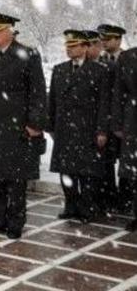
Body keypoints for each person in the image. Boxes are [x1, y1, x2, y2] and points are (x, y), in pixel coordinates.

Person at [0, 13, 47, 240]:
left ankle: (16, 221)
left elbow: (38, 92)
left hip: (17, 126)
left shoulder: (27, 54)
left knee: (16, 177)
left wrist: (35, 124)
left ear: (10, 31)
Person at [47, 30, 109, 223]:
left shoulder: (99, 71)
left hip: (87, 128)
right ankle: (70, 206)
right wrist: (50, 126)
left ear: (85, 47)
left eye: (74, 46)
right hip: (64, 129)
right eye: (67, 46)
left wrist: (102, 130)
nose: (69, 49)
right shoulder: (59, 69)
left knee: (87, 173)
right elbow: (52, 101)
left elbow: (103, 103)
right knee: (66, 171)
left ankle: (87, 208)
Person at [98, 23, 133, 215]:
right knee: (107, 162)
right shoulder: (99, 60)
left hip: (127, 119)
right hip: (107, 120)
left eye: (108, 39)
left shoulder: (129, 59)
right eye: (102, 39)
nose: (104, 42)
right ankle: (110, 198)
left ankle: (126, 200)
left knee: (127, 163)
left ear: (118, 40)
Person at [112, 29, 137, 231]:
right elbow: (118, 93)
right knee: (133, 171)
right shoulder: (127, 58)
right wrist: (118, 123)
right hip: (133, 120)